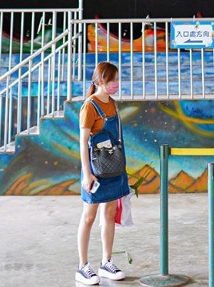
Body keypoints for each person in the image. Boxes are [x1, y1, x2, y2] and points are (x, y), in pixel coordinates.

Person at [76, 61, 130, 284]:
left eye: (117, 79)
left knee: (109, 215)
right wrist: (87, 174)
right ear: (100, 81)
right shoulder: (90, 106)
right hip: (95, 171)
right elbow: (83, 143)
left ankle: (106, 262)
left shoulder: (114, 105)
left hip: (114, 169)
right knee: (88, 217)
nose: (115, 84)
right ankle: (83, 266)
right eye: (112, 80)